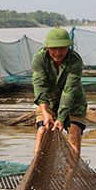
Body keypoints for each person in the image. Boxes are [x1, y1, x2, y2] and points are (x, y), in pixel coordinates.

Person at [32, 27, 87, 157]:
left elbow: (69, 91)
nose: (58, 52)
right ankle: (36, 168)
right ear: (47, 48)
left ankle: (69, 176)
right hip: (49, 101)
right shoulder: (40, 58)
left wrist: (61, 118)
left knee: (74, 134)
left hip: (73, 102)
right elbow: (39, 85)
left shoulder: (75, 60)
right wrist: (45, 113)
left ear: (68, 47)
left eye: (62, 48)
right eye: (53, 48)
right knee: (42, 131)